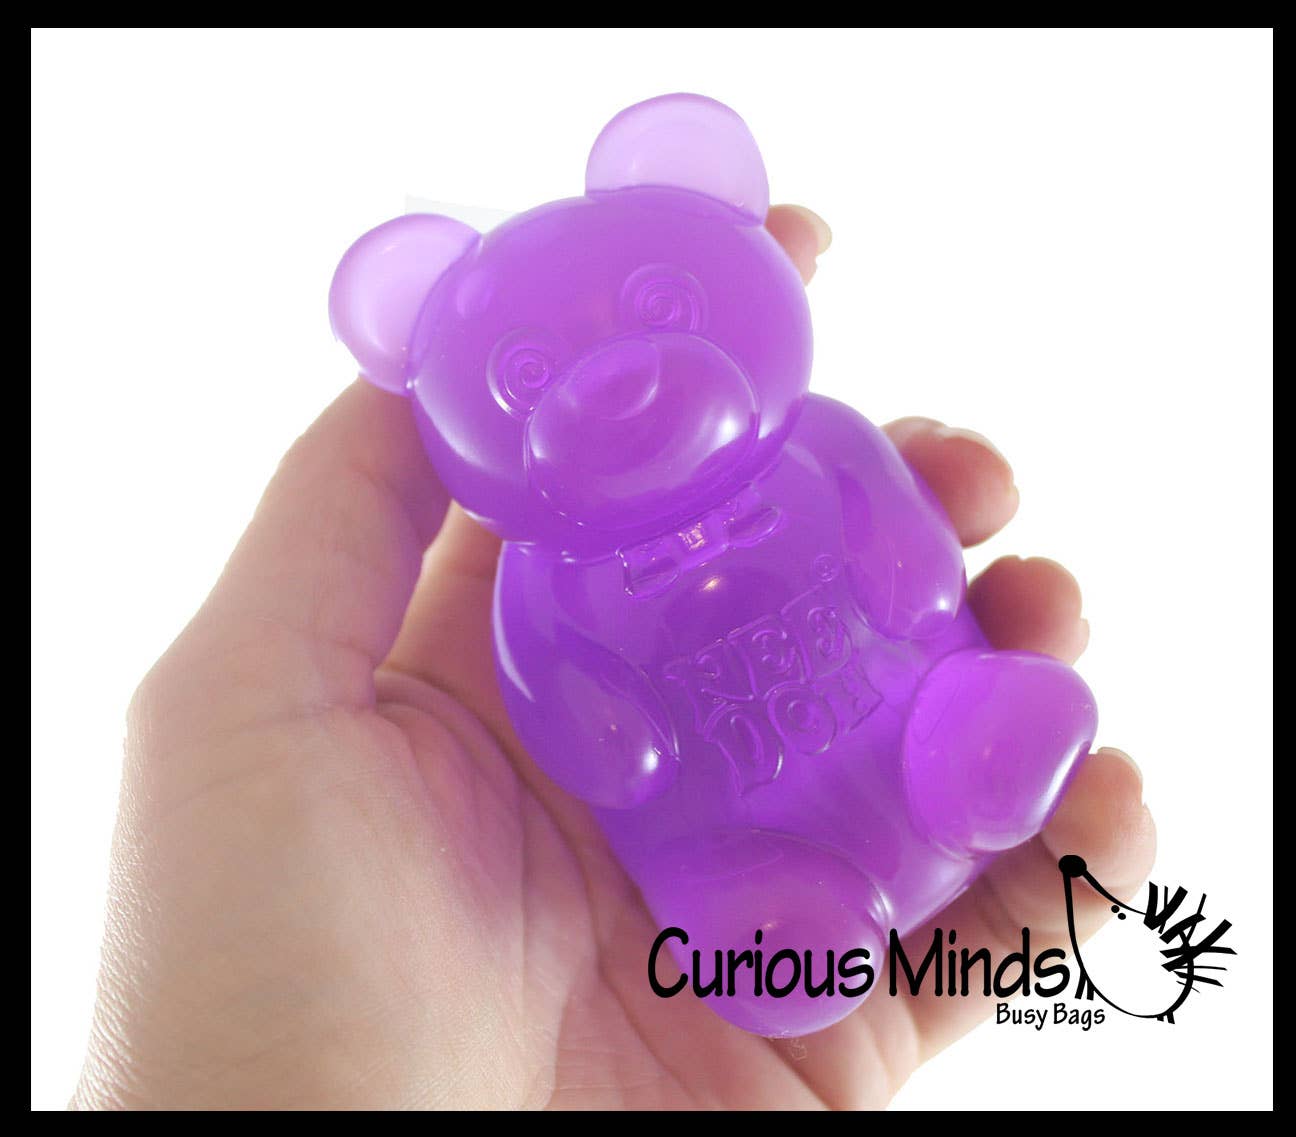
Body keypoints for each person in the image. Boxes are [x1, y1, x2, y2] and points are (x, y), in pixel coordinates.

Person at [73, 206, 1155, 1110]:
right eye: (529, 373)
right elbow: (574, 718)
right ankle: (776, 918)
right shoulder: (542, 579)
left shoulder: (822, 439)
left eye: (663, 312)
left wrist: (907, 564)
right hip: (733, 840)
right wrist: (613, 736)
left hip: (905, 717)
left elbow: (914, 564)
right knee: (730, 884)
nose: (620, 379)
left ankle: (980, 746)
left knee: (968, 658)